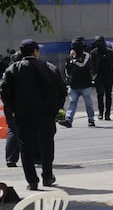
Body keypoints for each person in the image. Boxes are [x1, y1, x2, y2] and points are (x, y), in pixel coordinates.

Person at [0, 39, 67, 190]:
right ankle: (47, 176)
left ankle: (32, 180)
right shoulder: (49, 67)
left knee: (26, 147)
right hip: (46, 115)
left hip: (24, 115)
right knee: (47, 145)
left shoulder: (13, 69)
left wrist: (13, 109)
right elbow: (62, 91)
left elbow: (5, 93)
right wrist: (55, 109)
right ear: (36, 51)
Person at [59, 38, 96, 128]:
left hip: (85, 84)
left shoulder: (87, 55)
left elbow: (83, 64)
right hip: (73, 84)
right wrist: (68, 79)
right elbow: (67, 69)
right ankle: (68, 120)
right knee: (72, 103)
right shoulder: (70, 56)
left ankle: (91, 120)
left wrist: (74, 60)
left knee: (88, 104)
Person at [91, 36, 113, 120]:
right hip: (98, 76)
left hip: (108, 76)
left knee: (108, 95)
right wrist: (93, 75)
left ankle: (107, 113)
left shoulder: (110, 52)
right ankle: (101, 112)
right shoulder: (94, 53)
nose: (99, 45)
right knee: (100, 94)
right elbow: (92, 65)